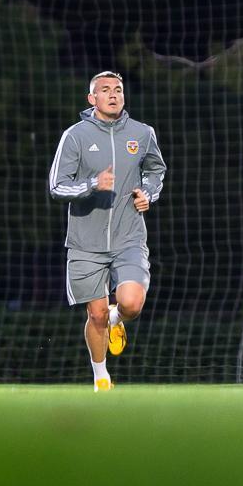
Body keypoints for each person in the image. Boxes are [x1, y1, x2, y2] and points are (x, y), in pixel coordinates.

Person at [47, 71, 166, 391]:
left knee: (132, 304)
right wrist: (92, 184)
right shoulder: (75, 136)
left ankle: (118, 319)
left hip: (129, 238)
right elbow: (57, 186)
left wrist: (148, 193)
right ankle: (101, 377)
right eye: (105, 90)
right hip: (86, 242)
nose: (113, 95)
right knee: (96, 315)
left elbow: (156, 171)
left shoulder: (142, 133)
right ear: (92, 99)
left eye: (118, 89)